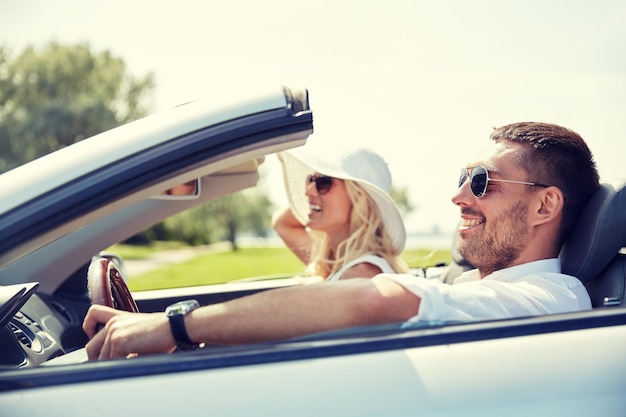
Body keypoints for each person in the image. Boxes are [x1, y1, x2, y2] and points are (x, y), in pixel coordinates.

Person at [83, 121, 599, 360]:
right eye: (462, 177)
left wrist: (174, 327)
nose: (458, 196)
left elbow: (376, 299)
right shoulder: (475, 285)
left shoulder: (553, 298)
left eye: (481, 182)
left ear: (545, 205)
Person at [271, 146, 408, 282]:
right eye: (310, 180)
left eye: (323, 182)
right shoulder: (339, 263)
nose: (308, 191)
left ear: (359, 198)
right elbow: (282, 224)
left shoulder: (362, 273)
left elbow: (283, 224)